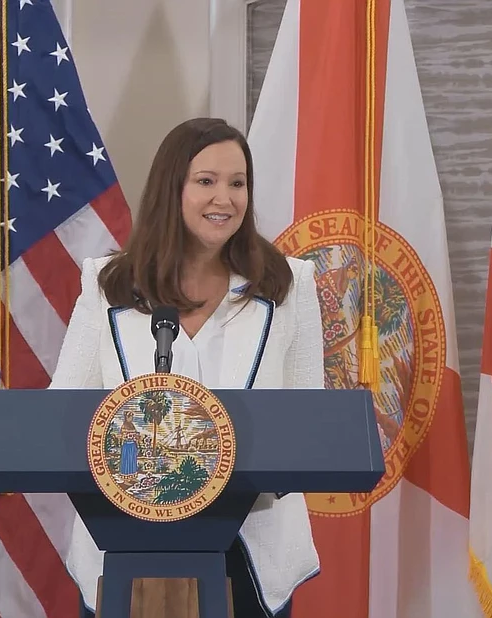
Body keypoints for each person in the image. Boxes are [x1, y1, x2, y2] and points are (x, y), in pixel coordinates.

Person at [49, 117, 324, 617]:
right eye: (206, 182)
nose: (225, 198)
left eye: (237, 183)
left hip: (251, 547)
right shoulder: (108, 284)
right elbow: (63, 412)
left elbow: (307, 420)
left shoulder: (291, 285)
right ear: (170, 189)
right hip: (124, 549)